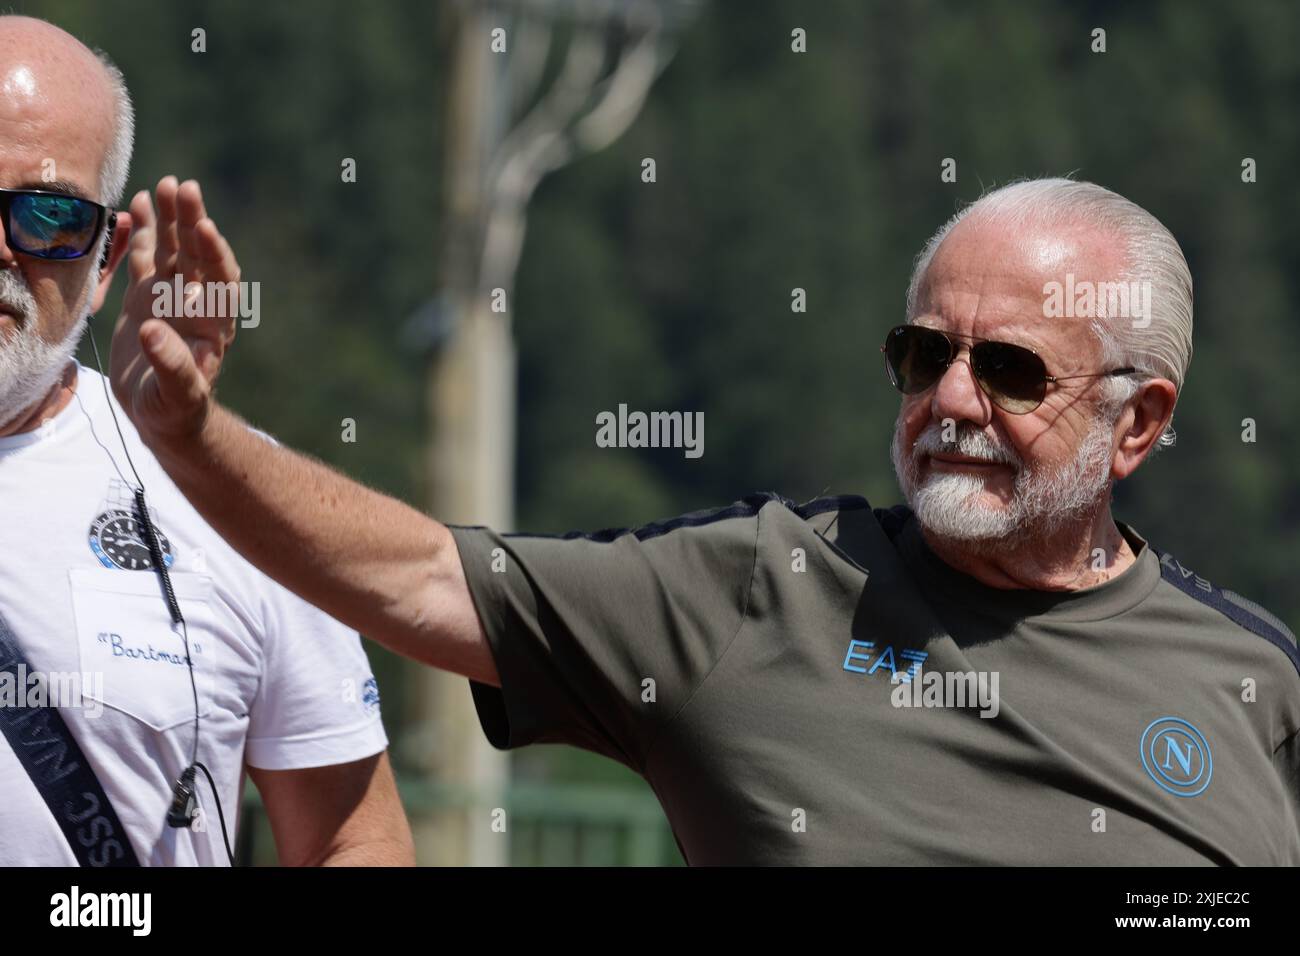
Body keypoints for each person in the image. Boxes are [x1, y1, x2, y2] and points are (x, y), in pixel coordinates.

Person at [111, 169, 1299, 864]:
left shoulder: (1256, 682)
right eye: (922, 351)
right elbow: (420, 577)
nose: (948, 400)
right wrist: (195, 435)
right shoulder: (755, 589)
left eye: (1011, 371)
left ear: (1137, 423)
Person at [0, 15, 413, 867]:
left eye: (46, 215)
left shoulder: (225, 492)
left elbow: (352, 835)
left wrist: (183, 440)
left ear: (106, 259)